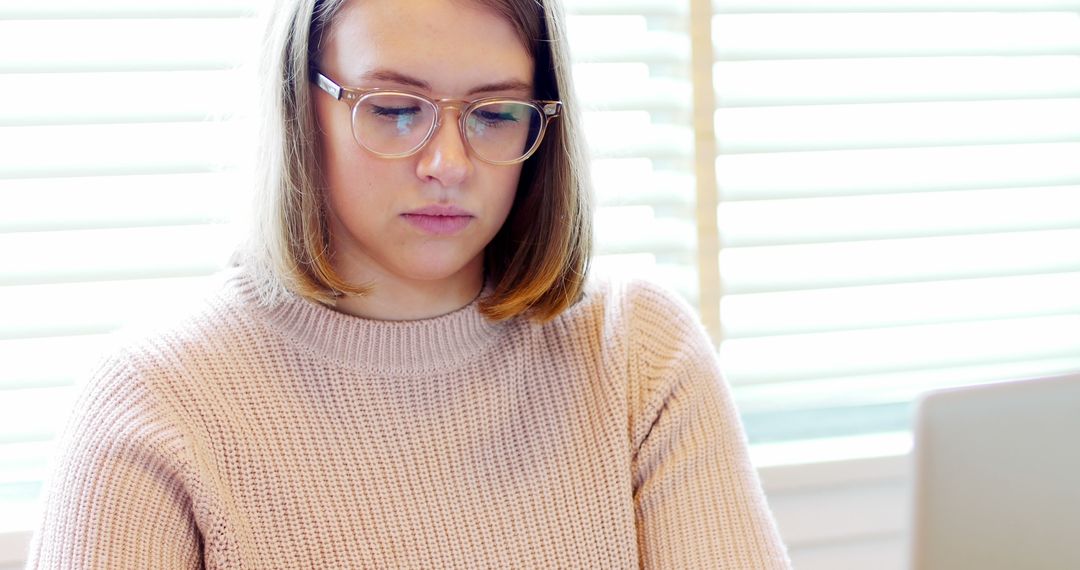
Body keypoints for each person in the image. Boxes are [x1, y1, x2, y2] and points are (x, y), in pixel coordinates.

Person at [26, 0, 791, 567]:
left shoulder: (635, 353)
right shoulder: (156, 401)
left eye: (495, 114)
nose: (449, 164)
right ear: (300, 105)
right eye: (394, 109)